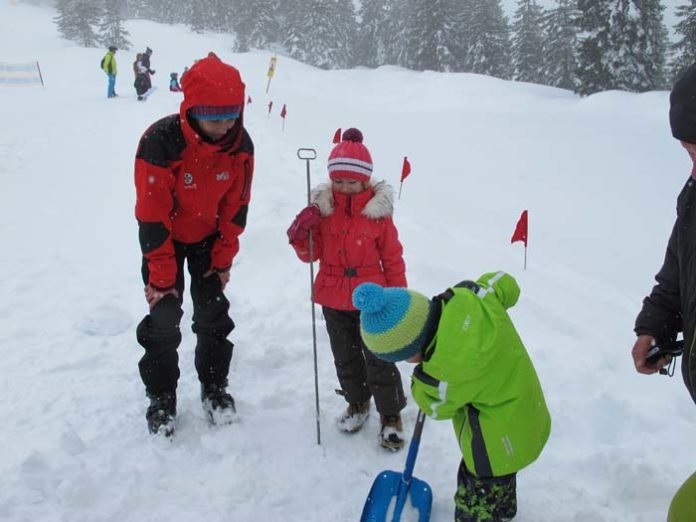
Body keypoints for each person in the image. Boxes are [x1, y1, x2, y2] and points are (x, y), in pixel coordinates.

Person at [353, 272, 551, 521]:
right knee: (503, 475)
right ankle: (505, 508)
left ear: (413, 348)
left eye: (404, 357)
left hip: (495, 446)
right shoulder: (471, 295)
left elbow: (435, 407)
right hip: (528, 414)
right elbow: (502, 284)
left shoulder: (442, 373)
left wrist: (420, 379)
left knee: (481, 488)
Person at [134, 53, 254, 437]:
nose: (223, 127)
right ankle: (162, 397)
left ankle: (215, 386)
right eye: (214, 118)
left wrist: (221, 262)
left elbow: (236, 210)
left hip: (207, 240)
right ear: (191, 110)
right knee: (164, 318)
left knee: (213, 315)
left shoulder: (240, 147)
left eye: (230, 116)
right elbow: (152, 215)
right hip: (163, 239)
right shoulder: (160, 142)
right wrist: (163, 278)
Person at [287, 128, 408, 450]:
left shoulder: (378, 215)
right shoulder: (322, 212)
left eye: (351, 182)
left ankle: (391, 414)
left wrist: (399, 298)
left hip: (373, 297)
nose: (344, 187)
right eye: (338, 181)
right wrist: (302, 236)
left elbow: (392, 257)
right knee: (346, 357)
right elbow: (310, 255)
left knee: (379, 356)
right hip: (333, 294)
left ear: (365, 182)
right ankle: (357, 402)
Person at [632, 62, 696, 521]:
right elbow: (677, 272)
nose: (694, 167)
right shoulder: (693, 195)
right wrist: (656, 325)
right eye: (688, 153)